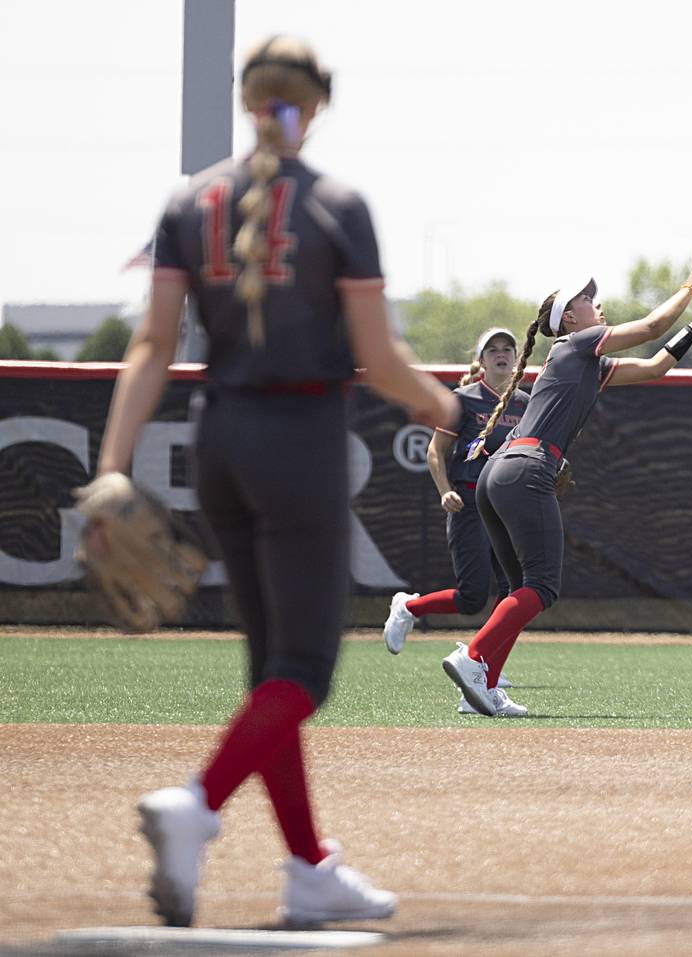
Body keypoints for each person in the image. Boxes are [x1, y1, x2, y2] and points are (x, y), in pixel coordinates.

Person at [94, 36, 458, 927]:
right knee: (306, 671)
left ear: (248, 99)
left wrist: (110, 468)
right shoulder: (339, 205)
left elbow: (150, 345)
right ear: (316, 103)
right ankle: (199, 801)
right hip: (297, 439)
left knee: (270, 671)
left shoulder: (189, 199)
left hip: (218, 435)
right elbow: (379, 358)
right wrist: (447, 410)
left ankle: (307, 868)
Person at [441, 248, 692, 716]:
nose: (596, 301)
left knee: (517, 589)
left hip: (498, 474)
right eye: (587, 298)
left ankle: (480, 685)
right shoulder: (576, 345)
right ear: (569, 318)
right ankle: (473, 657)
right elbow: (649, 329)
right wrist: (688, 288)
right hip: (526, 470)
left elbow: (654, 367)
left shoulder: (584, 361)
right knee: (542, 587)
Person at [382, 328, 530, 716]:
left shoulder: (526, 403)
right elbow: (435, 451)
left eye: (507, 350)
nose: (501, 355)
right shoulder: (462, 400)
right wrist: (444, 489)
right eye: (492, 350)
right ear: (481, 360)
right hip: (468, 502)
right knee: (471, 598)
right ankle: (409, 608)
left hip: (506, 508)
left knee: (516, 595)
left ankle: (483, 687)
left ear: (517, 358)